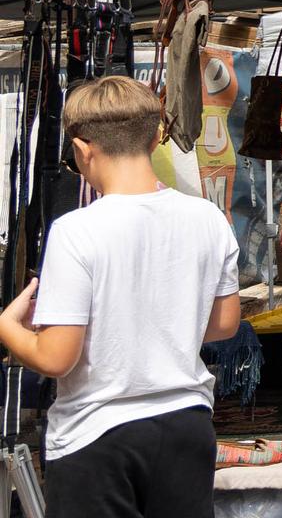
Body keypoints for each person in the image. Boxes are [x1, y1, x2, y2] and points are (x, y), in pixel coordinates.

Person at [0, 76, 239, 518]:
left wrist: (6, 327)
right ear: (154, 137)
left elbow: (56, 358)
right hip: (185, 425)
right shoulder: (207, 218)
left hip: (98, 434)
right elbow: (224, 324)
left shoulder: (76, 231)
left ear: (82, 149)